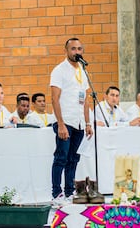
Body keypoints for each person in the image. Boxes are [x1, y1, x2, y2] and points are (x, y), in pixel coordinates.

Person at [50, 37, 98, 206]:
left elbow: (85, 100)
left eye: (79, 49)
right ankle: (56, 194)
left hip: (78, 122)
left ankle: (69, 192)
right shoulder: (59, 70)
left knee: (73, 159)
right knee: (61, 158)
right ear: (66, 50)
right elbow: (55, 99)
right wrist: (61, 124)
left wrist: (87, 123)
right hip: (66, 121)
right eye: (73, 49)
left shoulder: (82, 71)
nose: (77, 52)